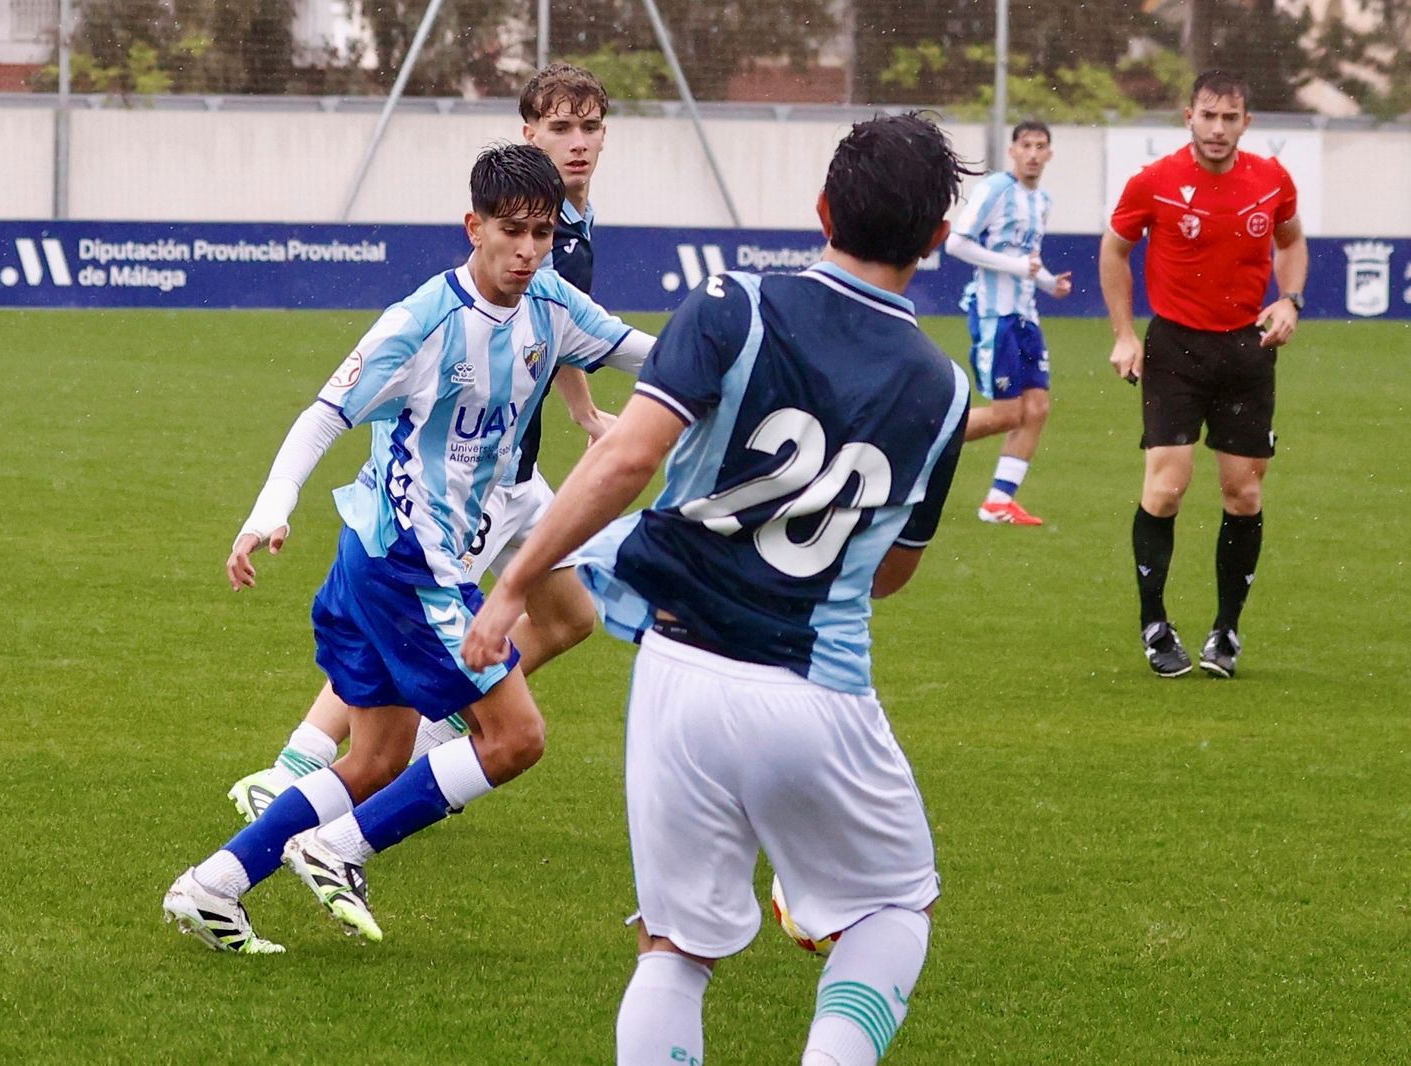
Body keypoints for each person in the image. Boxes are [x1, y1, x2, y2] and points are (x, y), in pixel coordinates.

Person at [463, 112, 972, 1066]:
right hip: (817, 688)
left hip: (679, 673)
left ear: (822, 207)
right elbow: (894, 570)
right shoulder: (942, 390)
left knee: (673, 948)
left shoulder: (733, 303)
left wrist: (515, 586)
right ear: (938, 240)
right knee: (895, 906)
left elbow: (626, 461)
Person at [162, 143, 653, 954]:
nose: (529, 251)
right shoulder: (422, 320)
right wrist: (269, 511)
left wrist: (740, 353)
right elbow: (325, 412)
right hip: (406, 566)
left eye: (542, 233)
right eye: (513, 232)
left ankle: (212, 885)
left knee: (380, 757)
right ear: (474, 226)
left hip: (393, 560)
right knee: (515, 738)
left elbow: (642, 352)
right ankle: (338, 849)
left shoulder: (551, 304)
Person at [223, 62, 617, 827]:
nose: (578, 144)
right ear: (528, 134)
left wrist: (584, 407)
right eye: (559, 128)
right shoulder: (538, 239)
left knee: (569, 618)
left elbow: (569, 337)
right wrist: (271, 504)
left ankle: (436, 726)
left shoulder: (569, 227)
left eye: (590, 127)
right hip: (459, 483)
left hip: (516, 473)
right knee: (406, 622)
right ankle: (295, 772)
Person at [1100, 70, 1307, 679]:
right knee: (1166, 488)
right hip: (1175, 349)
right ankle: (1154, 623)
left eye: (1230, 118)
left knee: (1243, 494)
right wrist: (1122, 333)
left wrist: (1289, 299)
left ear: (1247, 122)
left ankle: (1226, 630)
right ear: (1187, 115)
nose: (1218, 129)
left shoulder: (1271, 180)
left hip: (1247, 350)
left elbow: (1291, 243)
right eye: (1208, 116)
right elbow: (1114, 249)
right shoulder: (1156, 182)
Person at [945, 119, 1072, 525]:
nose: (1034, 153)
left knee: (1036, 408)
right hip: (993, 314)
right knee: (1005, 414)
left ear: (1050, 154)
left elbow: (1028, 260)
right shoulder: (996, 190)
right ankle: (914, 442)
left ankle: (999, 500)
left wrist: (1051, 284)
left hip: (1025, 317)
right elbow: (957, 243)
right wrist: (1016, 265)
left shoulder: (1043, 200)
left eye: (1041, 146)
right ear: (1013, 151)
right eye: (1026, 145)